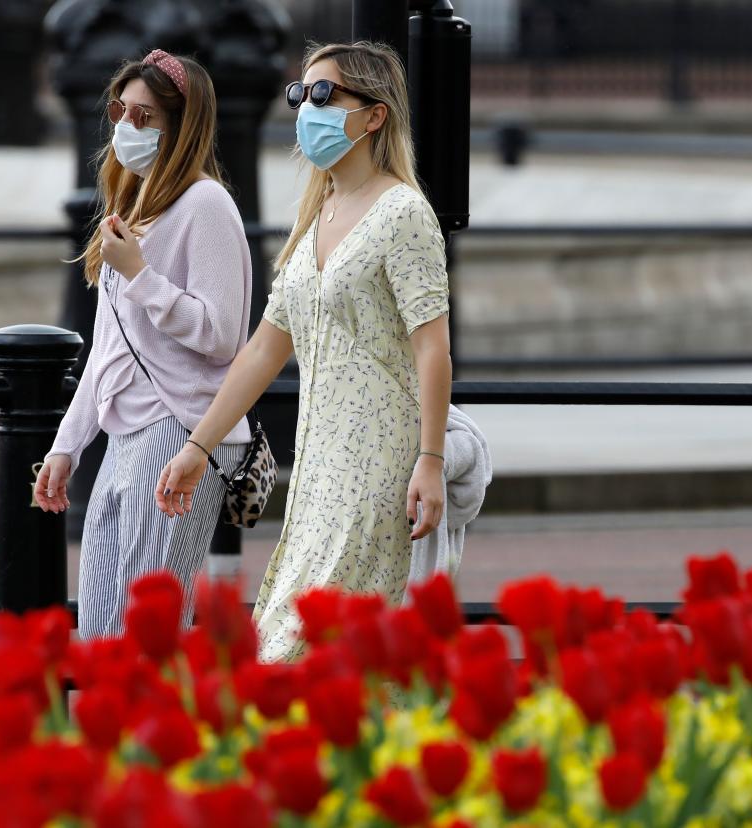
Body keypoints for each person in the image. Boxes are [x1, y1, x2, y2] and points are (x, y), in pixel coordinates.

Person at [155, 41, 452, 662]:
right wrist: (197, 445)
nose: (306, 108)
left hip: (379, 464)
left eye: (324, 94)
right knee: (318, 647)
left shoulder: (404, 213)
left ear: (374, 116)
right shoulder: (316, 214)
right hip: (317, 471)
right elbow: (264, 349)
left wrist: (429, 459)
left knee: (302, 650)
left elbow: (432, 347)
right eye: (300, 94)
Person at [34, 49, 253, 639]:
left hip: (178, 428)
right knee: (101, 615)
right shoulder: (132, 205)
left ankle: (156, 730)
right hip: (124, 433)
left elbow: (221, 334)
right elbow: (109, 345)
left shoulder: (206, 206)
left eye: (146, 116)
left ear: (182, 126)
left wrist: (140, 276)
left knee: (149, 621)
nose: (127, 128)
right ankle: (111, 732)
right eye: (121, 111)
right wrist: (67, 445)